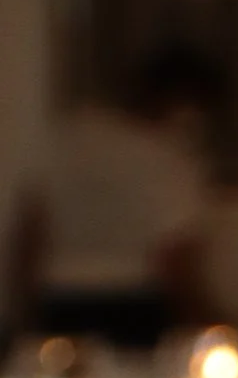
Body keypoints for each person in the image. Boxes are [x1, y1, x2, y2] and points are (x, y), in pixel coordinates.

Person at [12, 52, 216, 349]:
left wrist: (23, 311)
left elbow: (31, 229)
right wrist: (207, 321)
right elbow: (175, 259)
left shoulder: (70, 136)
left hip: (59, 298)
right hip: (134, 303)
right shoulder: (168, 158)